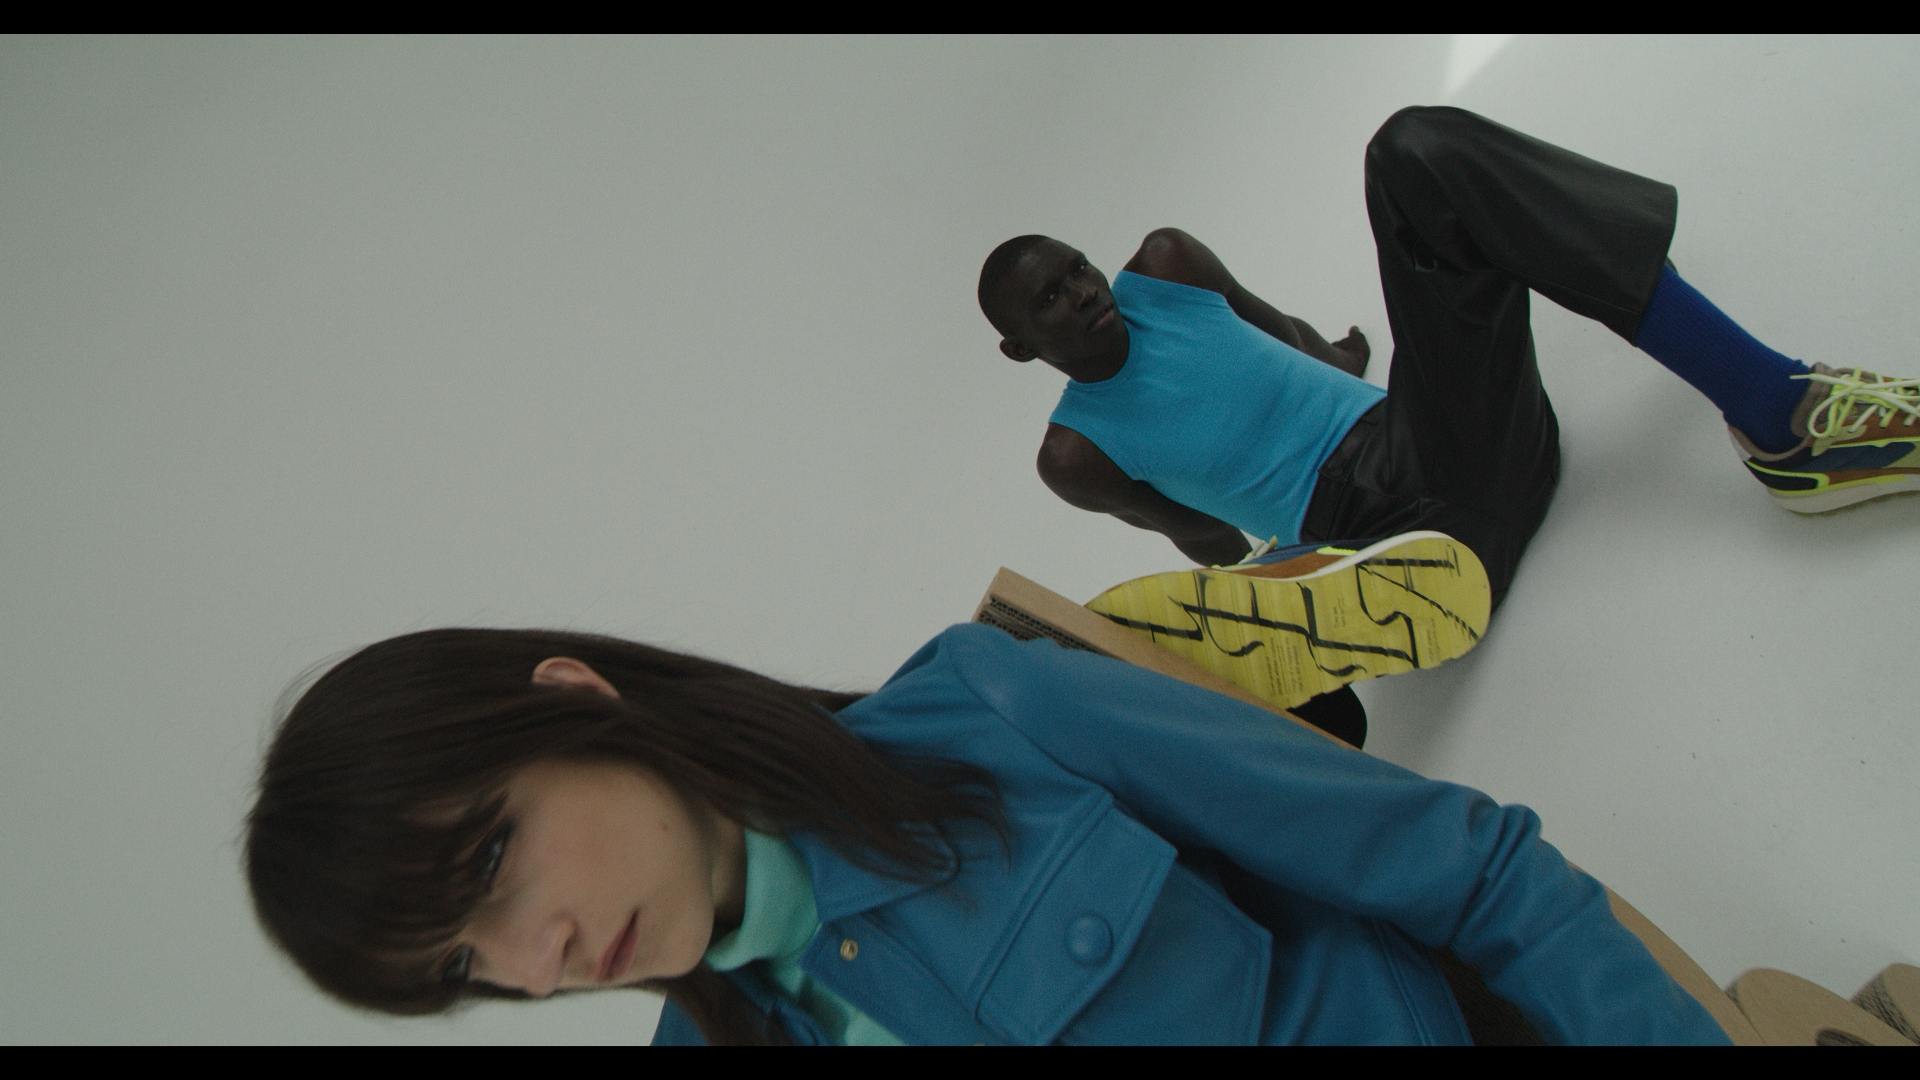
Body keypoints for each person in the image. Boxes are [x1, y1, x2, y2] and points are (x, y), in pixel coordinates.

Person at [245, 623, 1730, 1045]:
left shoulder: (991, 713)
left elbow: (1473, 873)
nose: (542, 958)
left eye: (489, 863)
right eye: (463, 967)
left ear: (577, 704)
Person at [976, 106, 1920, 711]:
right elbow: (1201, 538)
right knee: (1282, 581)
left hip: (1454, 442)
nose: (1081, 292)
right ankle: (1319, 604)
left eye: (1076, 269)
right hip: (1381, 544)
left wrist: (1345, 359)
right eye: (1049, 301)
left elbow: (1283, 335)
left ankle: (1782, 414)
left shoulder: (1168, 267)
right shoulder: (1077, 453)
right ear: (1020, 348)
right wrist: (1246, 580)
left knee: (1414, 153)